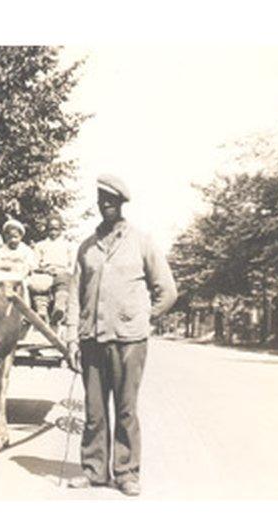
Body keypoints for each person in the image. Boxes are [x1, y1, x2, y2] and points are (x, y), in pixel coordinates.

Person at [63, 174, 178, 497]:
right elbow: (75, 295)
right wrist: (72, 338)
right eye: (101, 200)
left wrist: (143, 317)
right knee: (94, 410)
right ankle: (94, 470)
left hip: (129, 340)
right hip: (91, 340)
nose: (105, 205)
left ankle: (127, 472)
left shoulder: (141, 241)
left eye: (111, 200)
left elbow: (167, 291)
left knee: (126, 409)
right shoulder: (87, 247)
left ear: (121, 204)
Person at [33, 215, 75, 324]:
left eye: (56, 229)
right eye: (50, 229)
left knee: (64, 281)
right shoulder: (40, 245)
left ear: (61, 229)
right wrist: (44, 270)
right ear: (47, 229)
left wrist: (63, 271)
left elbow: (72, 265)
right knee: (40, 284)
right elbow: (34, 264)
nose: (53, 232)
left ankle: (59, 308)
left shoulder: (68, 245)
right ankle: (42, 310)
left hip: (62, 272)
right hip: (45, 272)